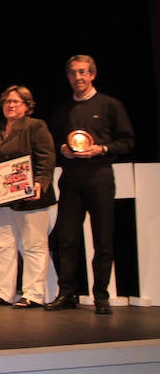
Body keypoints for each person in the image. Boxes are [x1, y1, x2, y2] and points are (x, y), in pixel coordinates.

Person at [47, 55, 134, 315]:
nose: (78, 77)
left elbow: (127, 141)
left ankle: (101, 295)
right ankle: (67, 293)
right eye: (73, 73)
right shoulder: (63, 110)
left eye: (83, 72)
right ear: (68, 77)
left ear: (93, 75)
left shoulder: (110, 105)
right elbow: (52, 142)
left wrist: (102, 149)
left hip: (100, 177)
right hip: (71, 180)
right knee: (66, 239)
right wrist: (62, 148)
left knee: (103, 240)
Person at [0, 86, 57, 309]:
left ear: (27, 105)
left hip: (30, 196)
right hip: (1, 197)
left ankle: (33, 294)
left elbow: (46, 158)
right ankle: (4, 293)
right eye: (7, 101)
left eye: (16, 102)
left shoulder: (35, 126)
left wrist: (40, 183)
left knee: (34, 245)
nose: (11, 105)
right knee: (3, 246)